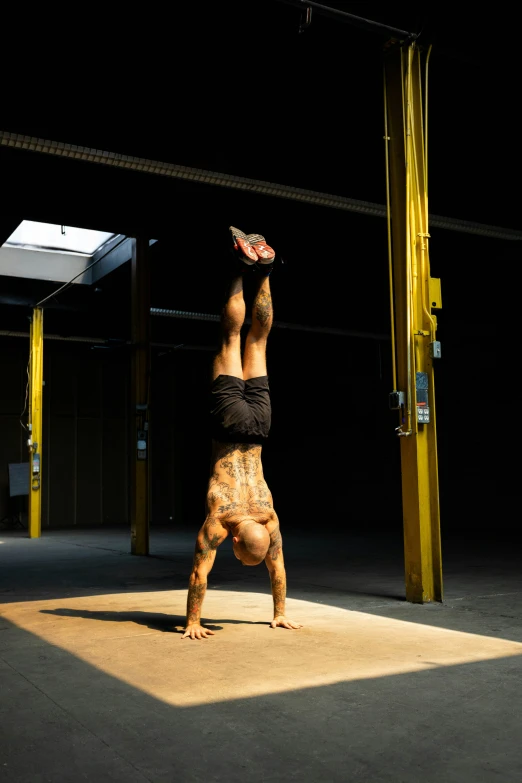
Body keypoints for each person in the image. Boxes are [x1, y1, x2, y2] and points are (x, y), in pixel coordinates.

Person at [182, 226, 303, 640]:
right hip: (230, 424)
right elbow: (201, 571)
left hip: (260, 428)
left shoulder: (271, 521)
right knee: (231, 337)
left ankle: (265, 269)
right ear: (234, 539)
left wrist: (280, 610)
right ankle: (239, 266)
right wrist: (193, 621)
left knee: (259, 341)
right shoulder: (222, 520)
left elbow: (278, 569)